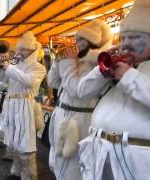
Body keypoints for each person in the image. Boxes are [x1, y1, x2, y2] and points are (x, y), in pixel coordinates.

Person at [77, 0, 150, 179]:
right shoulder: (124, 66)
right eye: (123, 38)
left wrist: (128, 76)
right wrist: (102, 71)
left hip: (136, 163)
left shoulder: (129, 73)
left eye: (134, 37)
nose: (126, 44)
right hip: (101, 154)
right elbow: (82, 91)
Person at [47, 20, 112, 180]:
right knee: (59, 163)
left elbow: (77, 92)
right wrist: (57, 62)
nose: (78, 43)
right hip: (62, 115)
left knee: (73, 169)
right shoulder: (77, 60)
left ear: (94, 42)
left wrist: (69, 64)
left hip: (80, 122)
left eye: (83, 40)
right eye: (78, 38)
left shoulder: (99, 65)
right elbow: (53, 83)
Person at [0, 31, 46, 180]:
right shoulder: (15, 65)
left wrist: (9, 67)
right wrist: (1, 67)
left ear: (32, 51)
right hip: (12, 105)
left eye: (23, 49)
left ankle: (29, 176)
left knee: (25, 145)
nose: (19, 52)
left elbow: (28, 80)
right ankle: (16, 172)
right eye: (20, 48)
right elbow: (2, 80)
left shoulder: (38, 67)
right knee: (14, 142)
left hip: (25, 105)